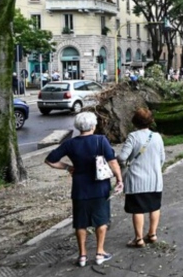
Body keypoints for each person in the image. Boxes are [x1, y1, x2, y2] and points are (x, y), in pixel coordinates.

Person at [44, 112, 123, 267]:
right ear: (93, 126)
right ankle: (100, 253)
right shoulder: (101, 140)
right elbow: (113, 162)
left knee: (80, 223)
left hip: (80, 188)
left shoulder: (70, 144)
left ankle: (82, 256)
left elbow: (50, 160)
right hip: (100, 187)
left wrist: (68, 167)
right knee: (101, 220)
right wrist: (119, 179)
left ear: (78, 127)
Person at [118, 108, 166, 248]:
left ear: (135, 121)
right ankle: (152, 234)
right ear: (151, 121)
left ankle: (139, 239)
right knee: (154, 207)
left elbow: (122, 157)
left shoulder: (133, 137)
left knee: (138, 210)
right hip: (155, 179)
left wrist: (120, 163)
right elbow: (162, 158)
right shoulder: (157, 136)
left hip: (136, 180)